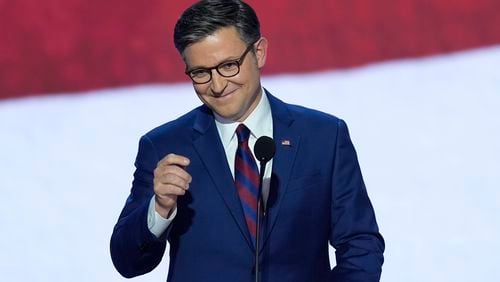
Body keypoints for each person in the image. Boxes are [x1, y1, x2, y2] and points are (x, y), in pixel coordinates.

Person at [110, 0, 384, 281]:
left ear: (259, 52)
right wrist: (159, 208)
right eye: (201, 73)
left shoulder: (324, 136)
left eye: (229, 65)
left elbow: (360, 244)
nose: (217, 86)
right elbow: (127, 262)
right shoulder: (164, 146)